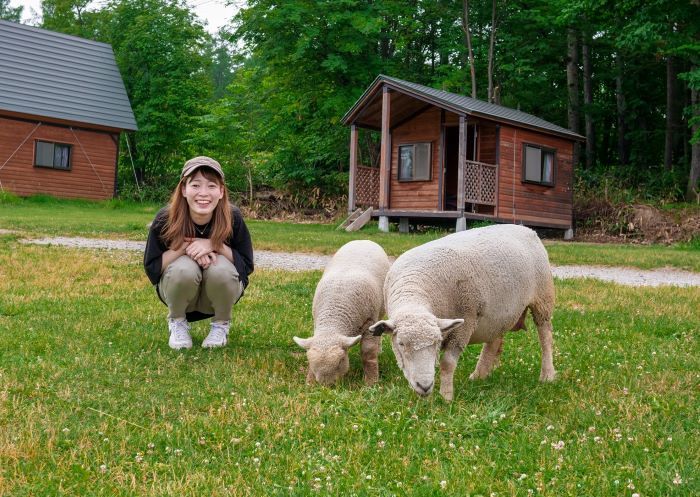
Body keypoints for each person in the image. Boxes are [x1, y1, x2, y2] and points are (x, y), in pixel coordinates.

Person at [144, 156, 254, 349]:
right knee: (183, 268)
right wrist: (187, 248)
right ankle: (177, 322)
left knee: (220, 268)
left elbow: (246, 267)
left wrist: (215, 245)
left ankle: (221, 325)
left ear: (221, 192)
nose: (203, 193)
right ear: (184, 189)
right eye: (195, 185)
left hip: (220, 296)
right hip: (178, 294)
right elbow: (152, 269)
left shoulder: (232, 217)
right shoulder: (165, 218)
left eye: (211, 186)